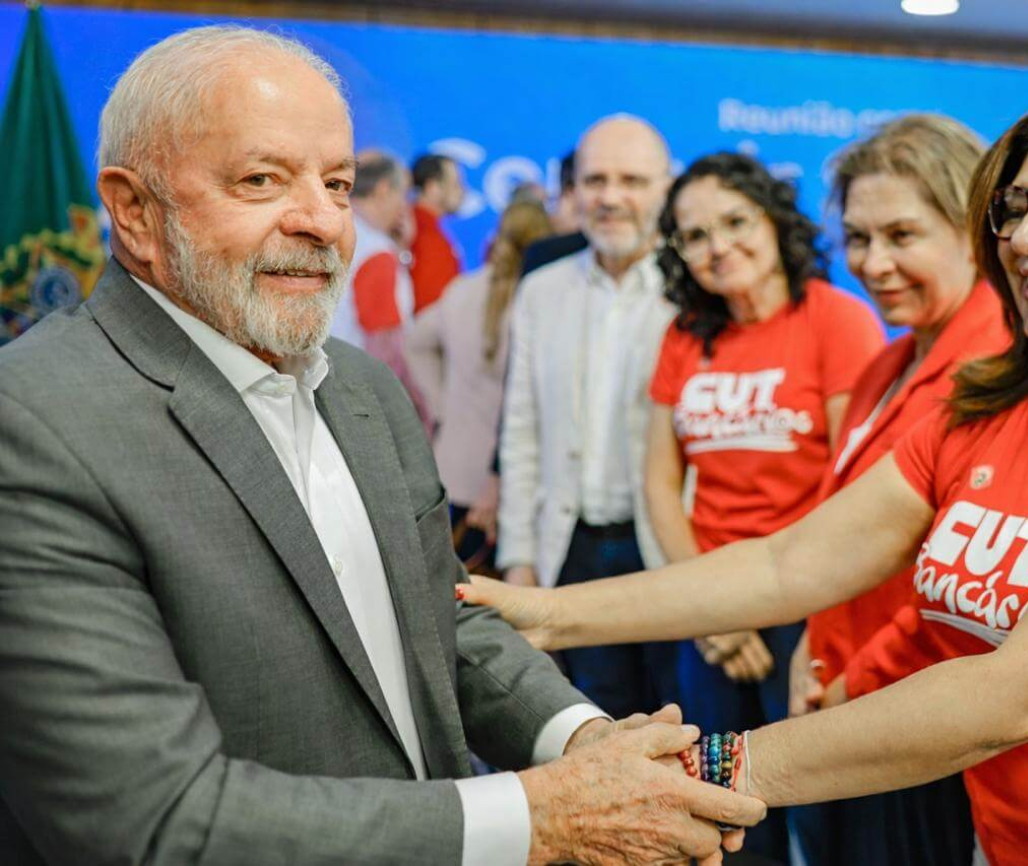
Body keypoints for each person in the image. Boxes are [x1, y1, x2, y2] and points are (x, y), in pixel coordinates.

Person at [465, 87, 1028, 863]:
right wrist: (547, 612)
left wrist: (704, 768)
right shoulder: (986, 409)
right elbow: (787, 563)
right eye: (1012, 209)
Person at [0, 26, 766, 866]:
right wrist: (541, 819)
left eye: (337, 184)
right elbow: (153, 818)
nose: (321, 222)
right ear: (135, 209)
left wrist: (583, 740)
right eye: (262, 180)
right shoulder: (34, 424)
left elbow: (442, 620)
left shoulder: (362, 389)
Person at [647, 152, 883, 861]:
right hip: (712, 612)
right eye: (694, 235)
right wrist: (710, 610)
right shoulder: (685, 335)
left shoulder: (836, 320)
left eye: (735, 222)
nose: (717, 247)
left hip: (812, 609)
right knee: (720, 815)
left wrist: (775, 601)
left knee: (819, 808)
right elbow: (660, 484)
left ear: (775, 223)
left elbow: (855, 480)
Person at [785, 115, 1007, 866]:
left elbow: (968, 578)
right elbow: (839, 531)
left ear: (973, 231)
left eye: (901, 236)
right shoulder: (891, 361)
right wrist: (813, 648)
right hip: (843, 699)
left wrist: (860, 680)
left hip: (913, 715)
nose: (873, 263)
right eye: (857, 238)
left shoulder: (1005, 367)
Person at [496, 114, 681, 720]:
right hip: (570, 548)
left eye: (632, 179)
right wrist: (518, 558)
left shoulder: (697, 289)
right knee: (598, 725)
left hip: (669, 553)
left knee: (686, 720)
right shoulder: (541, 290)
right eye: (595, 179)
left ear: (666, 187)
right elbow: (521, 432)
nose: (610, 197)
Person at [405, 200, 553, 572]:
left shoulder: (461, 290)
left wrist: (443, 404)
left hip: (452, 469)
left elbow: (415, 342)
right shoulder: (542, 301)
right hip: (513, 479)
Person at [330, 152, 424, 414]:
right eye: (403, 195)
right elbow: (384, 344)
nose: (405, 207)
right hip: (358, 392)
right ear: (384, 190)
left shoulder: (336, 231)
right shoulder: (375, 251)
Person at [410, 152, 465, 312]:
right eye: (456, 184)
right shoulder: (424, 236)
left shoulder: (423, 229)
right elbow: (429, 307)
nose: (463, 191)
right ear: (432, 187)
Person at [522, 150, 589, 277]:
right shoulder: (542, 255)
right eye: (597, 181)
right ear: (571, 191)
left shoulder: (541, 253)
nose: (610, 197)